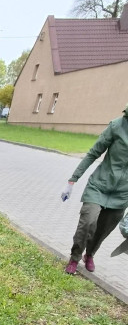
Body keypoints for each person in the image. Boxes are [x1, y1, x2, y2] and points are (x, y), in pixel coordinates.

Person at [61, 105, 128, 275]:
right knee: (88, 222)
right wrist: (72, 179)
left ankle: (89, 254)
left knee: (104, 228)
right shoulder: (117, 126)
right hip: (99, 185)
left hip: (122, 193)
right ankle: (74, 258)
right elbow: (93, 153)